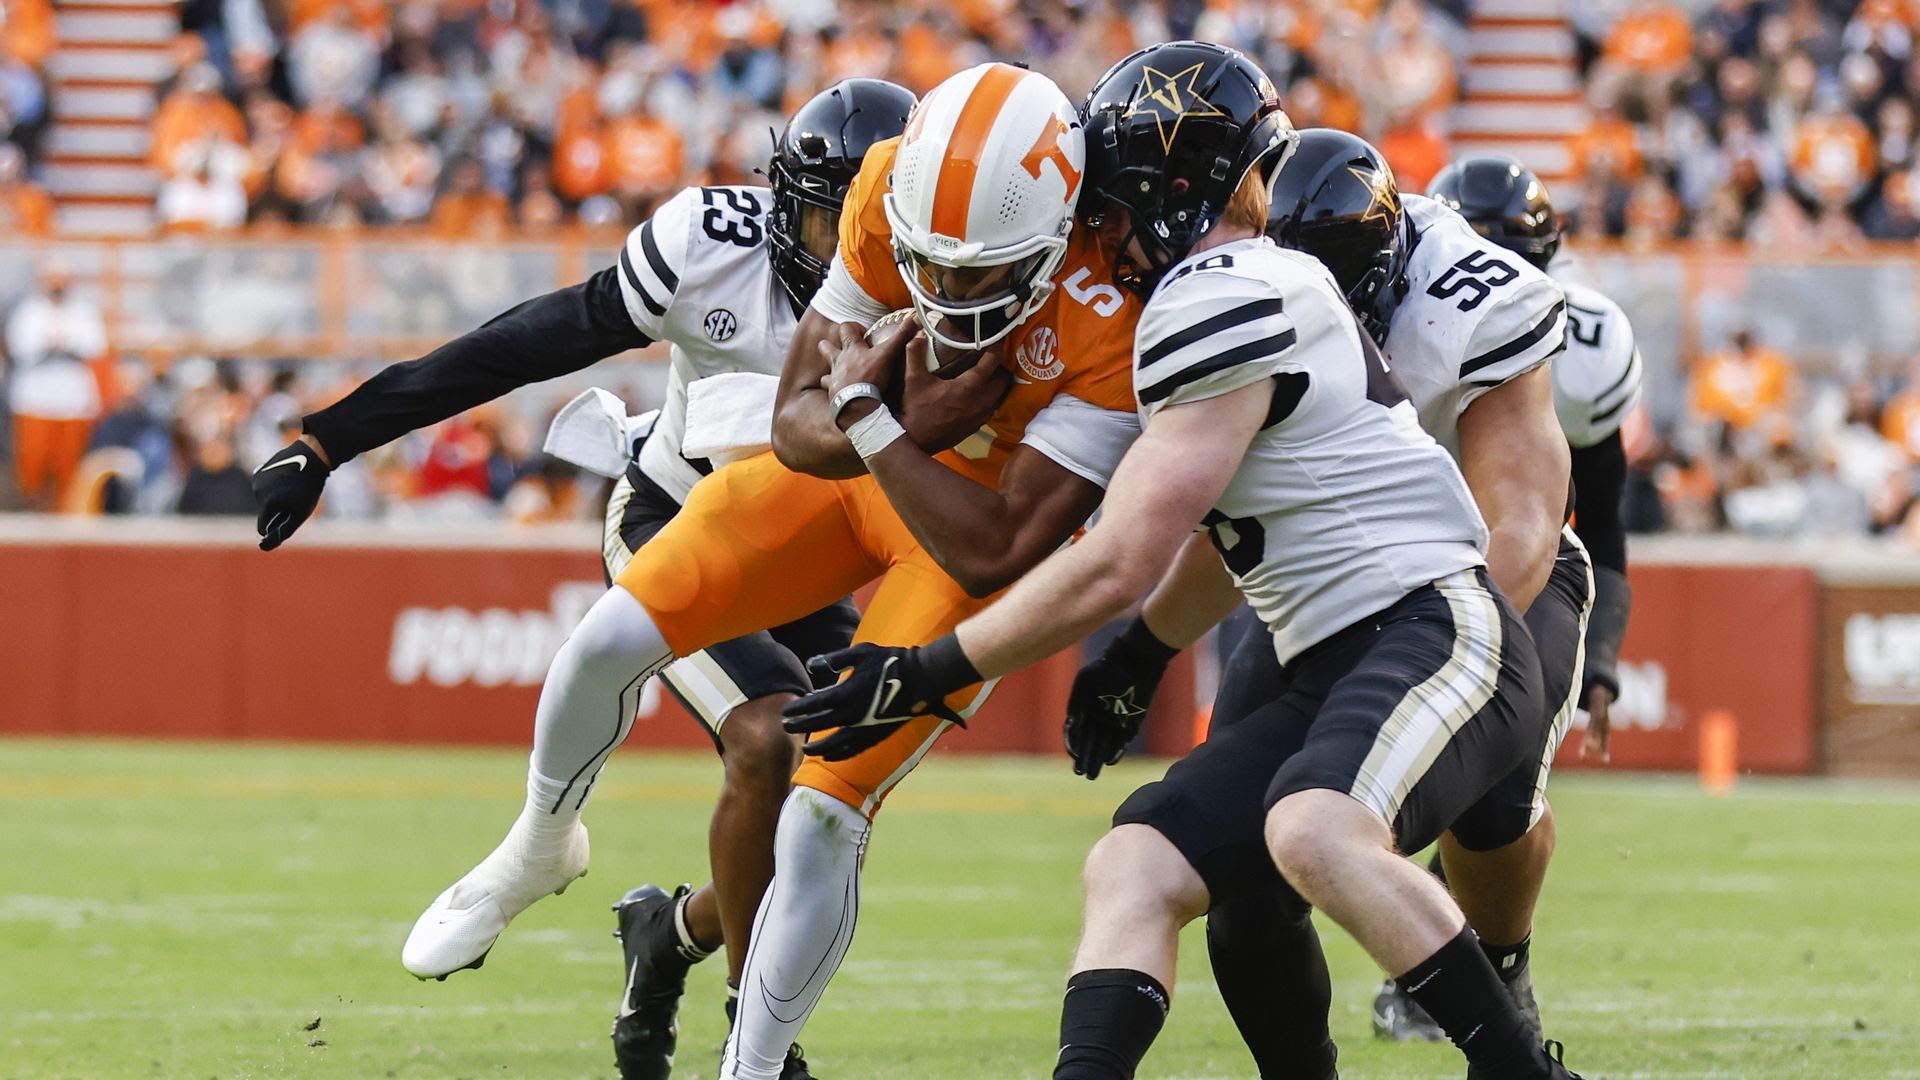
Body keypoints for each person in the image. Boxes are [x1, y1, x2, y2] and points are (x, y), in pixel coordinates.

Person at [780, 41, 1582, 1080]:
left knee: (1315, 833)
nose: (1092, 232)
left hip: (1437, 625)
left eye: (1108, 206)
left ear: (1164, 198)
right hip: (1326, 647)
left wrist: (936, 668)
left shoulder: (1224, 291)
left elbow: (1119, 557)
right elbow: (1231, 527)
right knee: (1134, 864)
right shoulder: (1211, 297)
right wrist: (1139, 655)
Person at [252, 79, 918, 1080]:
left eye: (887, 229)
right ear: (786, 206)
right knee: (764, 736)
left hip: (826, 546)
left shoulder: (947, 278)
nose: (860, 254)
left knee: (832, 810)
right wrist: (333, 437)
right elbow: (527, 342)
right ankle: (757, 1042)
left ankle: (674, 934)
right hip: (683, 516)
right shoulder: (711, 243)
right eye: (837, 223)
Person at [6, 264, 109, 509]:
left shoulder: (83, 311)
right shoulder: (29, 311)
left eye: (61, 278)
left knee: (69, 461)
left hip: (72, 398)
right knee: (32, 461)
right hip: (35, 397)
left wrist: (67, 344)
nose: (57, 283)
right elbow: (20, 347)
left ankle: (66, 512)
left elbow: (96, 346)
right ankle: (30, 509)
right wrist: (49, 345)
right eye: (52, 278)